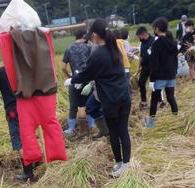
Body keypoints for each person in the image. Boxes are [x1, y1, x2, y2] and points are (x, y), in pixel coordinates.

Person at [72, 19, 131, 177]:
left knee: (114, 131)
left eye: (92, 35)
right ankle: (125, 164)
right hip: (124, 96)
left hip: (110, 99)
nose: (91, 38)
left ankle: (120, 163)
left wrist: (73, 80)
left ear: (96, 35)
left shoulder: (98, 52)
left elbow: (87, 73)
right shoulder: (115, 48)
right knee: (123, 130)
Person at [0, 67, 38, 182]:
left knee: (19, 142)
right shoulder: (24, 67)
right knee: (29, 137)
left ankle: (28, 172)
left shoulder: (0, 72)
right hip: (29, 108)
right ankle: (35, 162)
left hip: (14, 111)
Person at [61, 31, 97, 137]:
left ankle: (71, 129)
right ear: (83, 37)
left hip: (74, 81)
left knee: (73, 106)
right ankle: (92, 125)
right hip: (87, 81)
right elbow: (94, 64)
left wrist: (70, 77)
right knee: (89, 104)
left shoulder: (69, 49)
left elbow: (63, 67)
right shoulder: (88, 48)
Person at [146, 17, 179, 129]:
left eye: (154, 28)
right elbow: (175, 59)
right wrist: (175, 71)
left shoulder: (156, 44)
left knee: (154, 100)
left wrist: (151, 80)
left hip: (159, 76)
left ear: (157, 28)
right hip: (171, 75)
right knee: (171, 97)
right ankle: (176, 118)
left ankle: (150, 125)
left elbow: (154, 63)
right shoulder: (172, 42)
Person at [136, 26, 155, 108]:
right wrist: (139, 67)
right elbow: (141, 56)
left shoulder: (154, 40)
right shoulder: (141, 43)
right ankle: (144, 102)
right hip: (144, 67)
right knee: (141, 82)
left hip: (154, 66)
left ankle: (159, 101)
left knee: (153, 85)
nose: (139, 38)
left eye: (139, 36)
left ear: (143, 34)